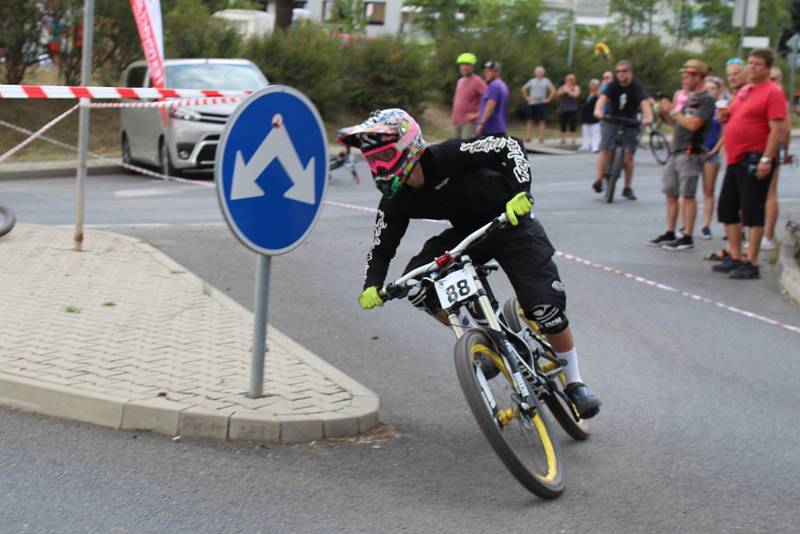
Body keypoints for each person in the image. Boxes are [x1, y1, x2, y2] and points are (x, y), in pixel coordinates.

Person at [338, 108, 602, 419]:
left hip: (509, 221)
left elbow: (509, 146)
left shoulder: (448, 155)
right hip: (467, 234)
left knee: (545, 309)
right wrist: (372, 285)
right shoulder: (396, 199)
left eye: (383, 157)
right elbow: (382, 248)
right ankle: (479, 338)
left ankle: (575, 382)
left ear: (408, 146)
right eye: (373, 161)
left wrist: (521, 193)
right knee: (418, 286)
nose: (379, 168)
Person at [713, 48, 787, 279]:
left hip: (755, 156)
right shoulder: (744, 90)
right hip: (735, 157)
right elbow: (734, 116)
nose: (752, 67)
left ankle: (751, 261)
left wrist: (767, 158)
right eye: (750, 63)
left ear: (767, 68)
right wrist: (724, 117)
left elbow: (777, 129)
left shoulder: (772, 93)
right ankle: (735, 255)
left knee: (752, 209)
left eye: (757, 64)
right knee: (727, 208)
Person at [648, 60, 716, 251]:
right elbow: (677, 122)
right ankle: (670, 232)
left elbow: (694, 124)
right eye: (683, 75)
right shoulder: (687, 97)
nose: (684, 79)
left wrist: (674, 112)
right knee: (671, 193)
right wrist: (665, 113)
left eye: (687, 76)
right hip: (676, 149)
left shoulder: (706, 99)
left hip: (691, 151)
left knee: (687, 195)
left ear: (698, 77)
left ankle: (687, 236)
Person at [592, 60, 653, 200]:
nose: (621, 74)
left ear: (630, 72)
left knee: (629, 155)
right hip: (612, 120)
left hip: (630, 122)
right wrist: (598, 111)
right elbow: (602, 98)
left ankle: (627, 187)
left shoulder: (636, 86)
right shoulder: (612, 85)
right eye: (618, 71)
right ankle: (599, 180)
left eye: (624, 71)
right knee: (605, 149)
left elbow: (644, 103)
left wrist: (648, 117)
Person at [761, 66, 794, 251]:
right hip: (761, 146)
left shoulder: (778, 96)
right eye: (769, 78)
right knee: (760, 194)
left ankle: (767, 236)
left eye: (774, 78)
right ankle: (759, 233)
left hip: (773, 148)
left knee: (770, 193)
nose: (771, 82)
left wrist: (783, 152)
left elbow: (786, 129)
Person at [699, 76, 725, 240]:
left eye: (713, 88)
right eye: (707, 88)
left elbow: (724, 132)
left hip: (711, 152)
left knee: (708, 190)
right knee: (687, 191)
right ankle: (685, 225)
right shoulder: (699, 106)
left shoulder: (721, 109)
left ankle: (706, 225)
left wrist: (715, 149)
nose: (710, 91)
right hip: (695, 151)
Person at [451, 52, 487, 139]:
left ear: (472, 66)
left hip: (469, 123)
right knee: (454, 148)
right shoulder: (460, 81)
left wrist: (477, 115)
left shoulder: (478, 81)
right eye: (462, 65)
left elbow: (489, 100)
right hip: (456, 121)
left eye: (467, 65)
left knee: (466, 147)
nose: (464, 67)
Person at [521, 65, 555, 143]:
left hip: (541, 103)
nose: (539, 73)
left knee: (541, 120)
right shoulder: (532, 80)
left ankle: (541, 137)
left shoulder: (546, 81)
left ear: (543, 73)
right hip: (532, 103)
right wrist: (526, 97)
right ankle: (528, 137)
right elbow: (523, 88)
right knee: (530, 120)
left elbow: (553, 90)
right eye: (538, 72)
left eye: (541, 72)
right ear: (535, 73)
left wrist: (548, 99)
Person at [476, 60, 509, 137]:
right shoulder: (503, 85)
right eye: (485, 71)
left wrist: (481, 124)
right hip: (501, 128)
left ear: (497, 72)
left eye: (488, 71)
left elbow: (490, 106)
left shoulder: (494, 85)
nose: (485, 74)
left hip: (491, 129)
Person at [556, 73, 581, 145]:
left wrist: (568, 91)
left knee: (573, 123)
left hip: (572, 108)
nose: (569, 81)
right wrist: (562, 91)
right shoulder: (562, 87)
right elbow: (557, 94)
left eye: (571, 80)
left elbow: (576, 95)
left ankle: (573, 139)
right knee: (563, 123)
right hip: (563, 108)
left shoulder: (576, 87)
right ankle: (562, 139)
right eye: (568, 79)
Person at [579, 79, 601, 152]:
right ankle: (585, 146)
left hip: (594, 116)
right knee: (585, 132)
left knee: (595, 132)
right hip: (586, 115)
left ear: (597, 86)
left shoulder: (599, 95)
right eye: (591, 85)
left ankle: (595, 146)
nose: (591, 86)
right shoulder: (587, 94)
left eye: (593, 85)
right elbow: (582, 101)